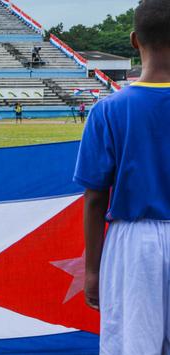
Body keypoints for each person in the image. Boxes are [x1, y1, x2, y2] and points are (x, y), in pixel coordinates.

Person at [74, 1, 170, 354]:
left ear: (133, 40)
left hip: (134, 245)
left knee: (135, 346)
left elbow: (96, 197)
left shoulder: (107, 110)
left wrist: (93, 270)